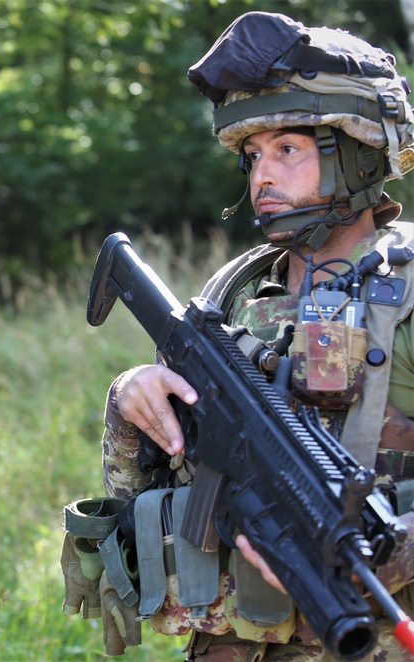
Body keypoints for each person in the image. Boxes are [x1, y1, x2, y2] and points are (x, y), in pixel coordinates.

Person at [73, 11, 414, 661]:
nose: (261, 175)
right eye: (253, 155)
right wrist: (132, 397)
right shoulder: (234, 293)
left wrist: (392, 548)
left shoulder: (409, 292)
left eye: (288, 149)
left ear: (360, 152)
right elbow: (153, 485)